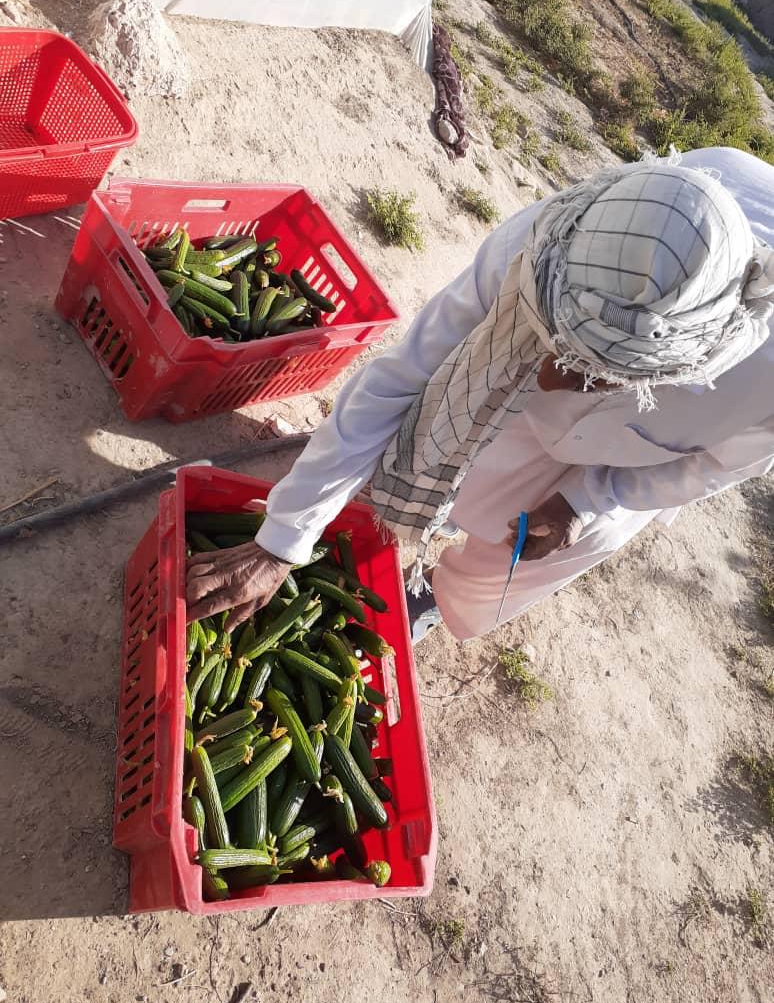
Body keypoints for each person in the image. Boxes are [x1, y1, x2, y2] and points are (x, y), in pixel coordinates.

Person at [187, 147, 774, 644]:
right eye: (551, 341)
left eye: (590, 370)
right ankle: (398, 515)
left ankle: (433, 601)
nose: (552, 379)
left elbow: (710, 469)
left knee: (549, 547)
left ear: (676, 367)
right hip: (526, 372)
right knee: (444, 441)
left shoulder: (759, 391)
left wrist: (589, 499)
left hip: (631, 452)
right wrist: (285, 536)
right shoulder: (549, 240)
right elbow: (401, 378)